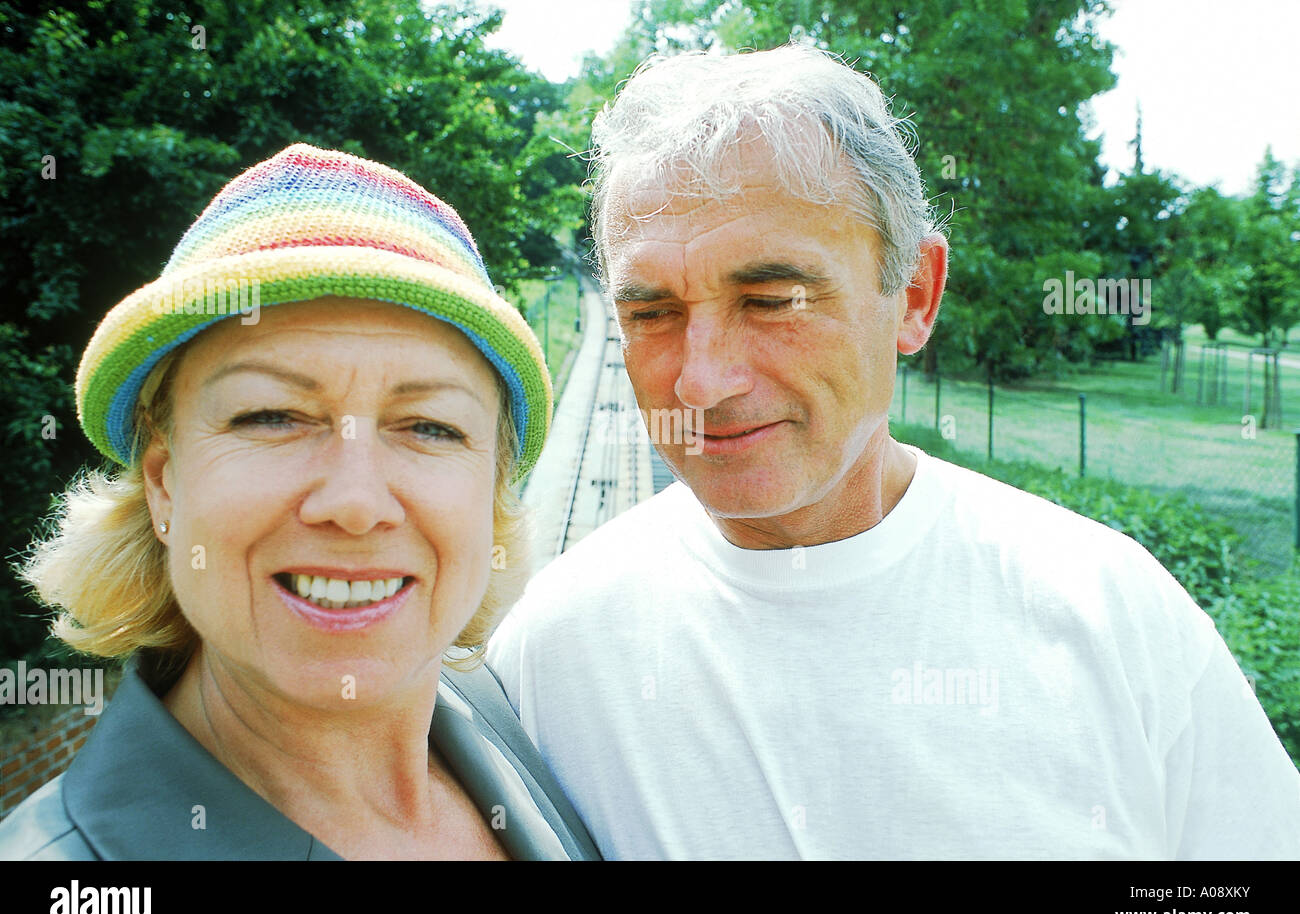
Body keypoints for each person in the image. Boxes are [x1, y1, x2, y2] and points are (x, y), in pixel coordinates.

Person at [486, 45, 1300, 859]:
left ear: (914, 295)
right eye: (653, 312)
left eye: (771, 300)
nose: (700, 381)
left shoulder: (1114, 617)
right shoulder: (547, 659)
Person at [0, 143, 598, 860]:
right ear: (164, 482)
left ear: (492, 488)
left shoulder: (505, 718)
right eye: (271, 417)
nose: (354, 502)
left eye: (430, 426)